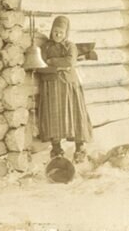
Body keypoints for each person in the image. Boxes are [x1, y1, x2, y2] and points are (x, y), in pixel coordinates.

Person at [36, 16, 93, 162]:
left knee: (74, 115)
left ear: (66, 33)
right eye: (55, 31)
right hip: (51, 86)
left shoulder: (70, 46)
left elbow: (70, 62)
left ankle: (80, 149)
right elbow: (40, 67)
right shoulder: (45, 47)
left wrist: (52, 62)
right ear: (51, 31)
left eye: (61, 32)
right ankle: (56, 150)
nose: (58, 35)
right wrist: (58, 68)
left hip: (69, 85)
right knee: (54, 117)